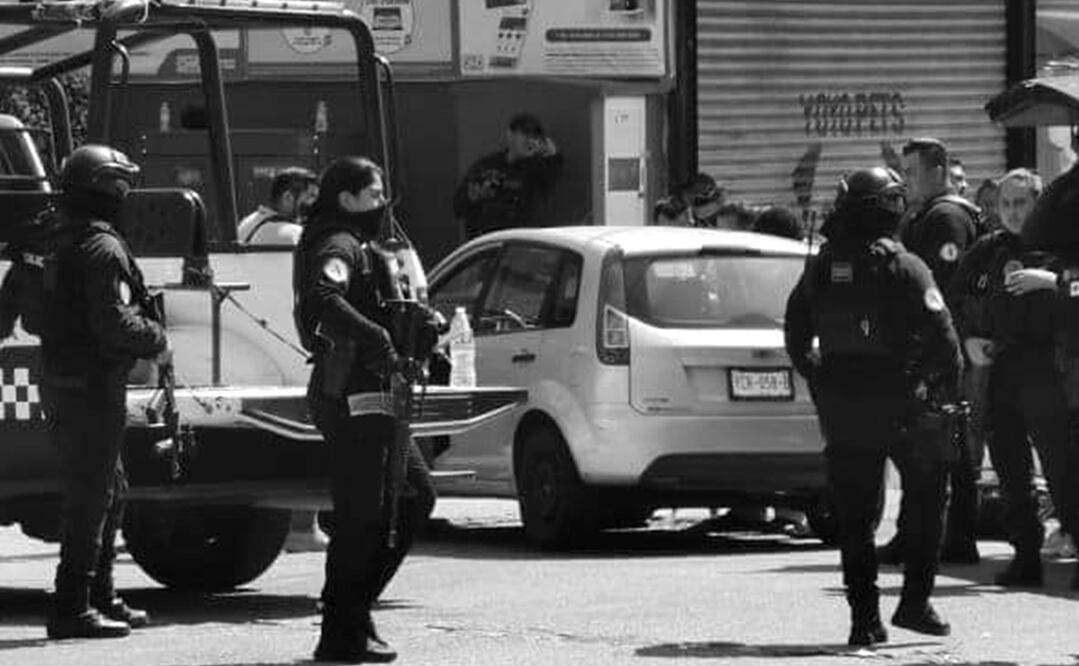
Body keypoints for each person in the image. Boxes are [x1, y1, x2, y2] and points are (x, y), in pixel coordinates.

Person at [785, 166, 961, 646]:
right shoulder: (906, 266)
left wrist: (819, 378)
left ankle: (864, 620)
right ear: (893, 208)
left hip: (843, 407)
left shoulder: (821, 265)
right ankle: (915, 602)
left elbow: (795, 331)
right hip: (903, 404)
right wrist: (943, 393)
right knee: (928, 501)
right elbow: (946, 344)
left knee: (856, 517)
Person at [293, 156, 438, 663]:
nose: (382, 204)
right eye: (374, 194)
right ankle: (342, 628)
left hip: (379, 394)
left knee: (412, 499)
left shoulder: (368, 246)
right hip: (349, 391)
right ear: (346, 198)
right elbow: (321, 298)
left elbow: (384, 300)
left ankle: (350, 615)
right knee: (363, 518)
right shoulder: (338, 244)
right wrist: (377, 338)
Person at [39, 145, 169, 639]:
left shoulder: (57, 237)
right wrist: (158, 341)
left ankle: (100, 595)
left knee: (111, 490)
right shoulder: (101, 248)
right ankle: (71, 605)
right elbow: (113, 321)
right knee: (91, 496)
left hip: (67, 379)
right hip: (91, 384)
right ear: (110, 189)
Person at [949, 168, 1079, 589]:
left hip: (1051, 369)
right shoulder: (987, 251)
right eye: (1005, 203)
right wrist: (968, 340)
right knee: (1009, 469)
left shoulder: (1063, 245)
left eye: (1022, 202)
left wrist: (1054, 282)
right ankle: (1025, 554)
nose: (1013, 211)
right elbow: (952, 302)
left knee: (1063, 470)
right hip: (1001, 367)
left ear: (1041, 202)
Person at [882, 137, 981, 565]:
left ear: (938, 171)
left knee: (947, 446)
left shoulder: (946, 218)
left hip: (942, 350)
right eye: (903, 172)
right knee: (924, 446)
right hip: (928, 349)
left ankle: (956, 537)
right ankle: (916, 533)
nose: (906, 180)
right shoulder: (924, 215)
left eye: (912, 171)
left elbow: (941, 289)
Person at [453, 112, 564, 240]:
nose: (530, 141)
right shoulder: (487, 166)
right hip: (488, 245)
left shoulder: (540, 170)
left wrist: (552, 156)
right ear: (510, 135)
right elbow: (458, 206)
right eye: (525, 134)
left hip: (523, 246)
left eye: (535, 137)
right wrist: (473, 197)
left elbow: (552, 172)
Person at [236, 166, 318, 245]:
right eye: (310, 196)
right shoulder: (292, 234)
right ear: (288, 197)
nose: (315, 202)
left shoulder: (248, 222)